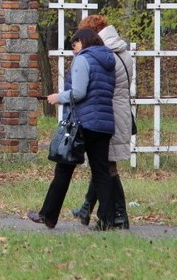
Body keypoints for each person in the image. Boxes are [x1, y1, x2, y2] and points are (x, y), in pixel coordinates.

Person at [27, 28, 117, 230]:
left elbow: (78, 92)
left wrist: (58, 97)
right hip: (104, 123)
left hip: (82, 123)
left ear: (83, 41)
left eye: (74, 44)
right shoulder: (108, 61)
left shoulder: (83, 60)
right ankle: (108, 220)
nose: (73, 49)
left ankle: (48, 215)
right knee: (102, 172)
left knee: (63, 170)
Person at [70, 15, 133, 229]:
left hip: (108, 110)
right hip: (121, 109)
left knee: (106, 167)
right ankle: (88, 209)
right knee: (103, 164)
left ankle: (119, 216)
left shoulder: (103, 54)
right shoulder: (123, 51)